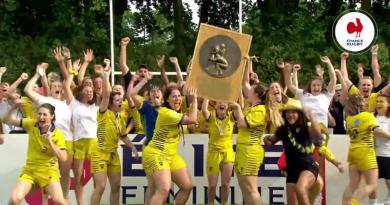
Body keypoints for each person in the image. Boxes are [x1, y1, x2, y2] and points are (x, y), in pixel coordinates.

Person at [90, 60, 139, 205]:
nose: (120, 102)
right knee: (100, 186)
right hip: (99, 153)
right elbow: (106, 95)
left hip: (113, 154)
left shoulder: (120, 118)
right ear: (111, 103)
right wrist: (105, 76)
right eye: (117, 100)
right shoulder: (104, 112)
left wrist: (133, 147)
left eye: (121, 99)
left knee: (116, 186)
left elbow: (123, 136)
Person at [142, 86, 197, 205]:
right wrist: (194, 100)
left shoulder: (175, 112)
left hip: (171, 156)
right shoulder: (166, 113)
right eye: (174, 96)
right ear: (166, 100)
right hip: (156, 153)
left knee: (187, 186)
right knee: (164, 189)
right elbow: (193, 119)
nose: (177, 99)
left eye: (179, 96)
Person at [264, 99, 323, 205]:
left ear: (300, 114)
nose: (290, 115)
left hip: (308, 168)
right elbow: (270, 141)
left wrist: (312, 117)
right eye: (288, 112)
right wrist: (266, 138)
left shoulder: (307, 127)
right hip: (291, 172)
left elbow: (318, 135)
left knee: (301, 188)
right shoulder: (283, 130)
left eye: (294, 112)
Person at [6, 103, 68, 205]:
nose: (41, 117)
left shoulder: (58, 134)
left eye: (44, 114)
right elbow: (9, 120)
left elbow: (64, 158)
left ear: (52, 116)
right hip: (30, 171)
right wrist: (13, 106)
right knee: (14, 199)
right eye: (39, 114)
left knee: (59, 201)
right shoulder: (31, 124)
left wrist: (50, 142)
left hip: (49, 172)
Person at [342, 94, 390, 205]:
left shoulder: (349, 119)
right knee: (371, 185)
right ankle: (353, 203)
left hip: (353, 152)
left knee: (352, 185)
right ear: (361, 104)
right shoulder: (368, 116)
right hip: (366, 152)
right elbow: (377, 130)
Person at [229, 82, 268, 205]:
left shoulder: (260, 110)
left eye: (251, 90)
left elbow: (242, 124)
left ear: (256, 94)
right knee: (245, 189)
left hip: (250, 152)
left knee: (251, 189)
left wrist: (238, 108)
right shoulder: (251, 107)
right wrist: (236, 108)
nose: (248, 92)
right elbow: (237, 119)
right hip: (243, 151)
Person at [202, 98, 235, 205]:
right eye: (218, 102)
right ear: (215, 106)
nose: (221, 103)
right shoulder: (211, 116)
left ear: (228, 105)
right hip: (213, 154)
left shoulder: (231, 117)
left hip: (227, 153)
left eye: (224, 101)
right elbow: (203, 110)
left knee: (226, 185)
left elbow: (240, 107)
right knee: (212, 186)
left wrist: (238, 91)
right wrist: (207, 95)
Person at [369, 94, 390, 205]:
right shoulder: (371, 117)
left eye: (381, 101)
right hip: (371, 154)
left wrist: (380, 132)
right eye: (377, 101)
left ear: (388, 104)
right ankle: (373, 203)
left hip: (387, 154)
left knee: (388, 180)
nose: (378, 104)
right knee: (372, 182)